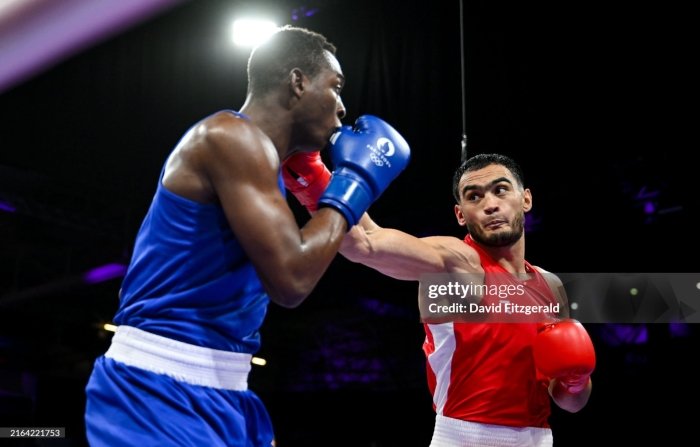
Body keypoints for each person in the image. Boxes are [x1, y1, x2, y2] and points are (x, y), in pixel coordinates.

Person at [84, 25, 410, 446]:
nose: (343, 107)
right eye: (336, 87)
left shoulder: (265, 163)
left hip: (227, 389)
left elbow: (361, 244)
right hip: (156, 387)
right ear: (298, 82)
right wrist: (355, 180)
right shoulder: (229, 137)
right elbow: (292, 280)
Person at [282, 152, 595, 447]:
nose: (490, 205)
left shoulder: (550, 286)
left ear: (525, 199)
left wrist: (576, 381)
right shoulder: (456, 264)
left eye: (500, 190)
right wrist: (309, 174)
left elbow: (571, 404)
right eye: (474, 196)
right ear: (460, 214)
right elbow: (365, 243)